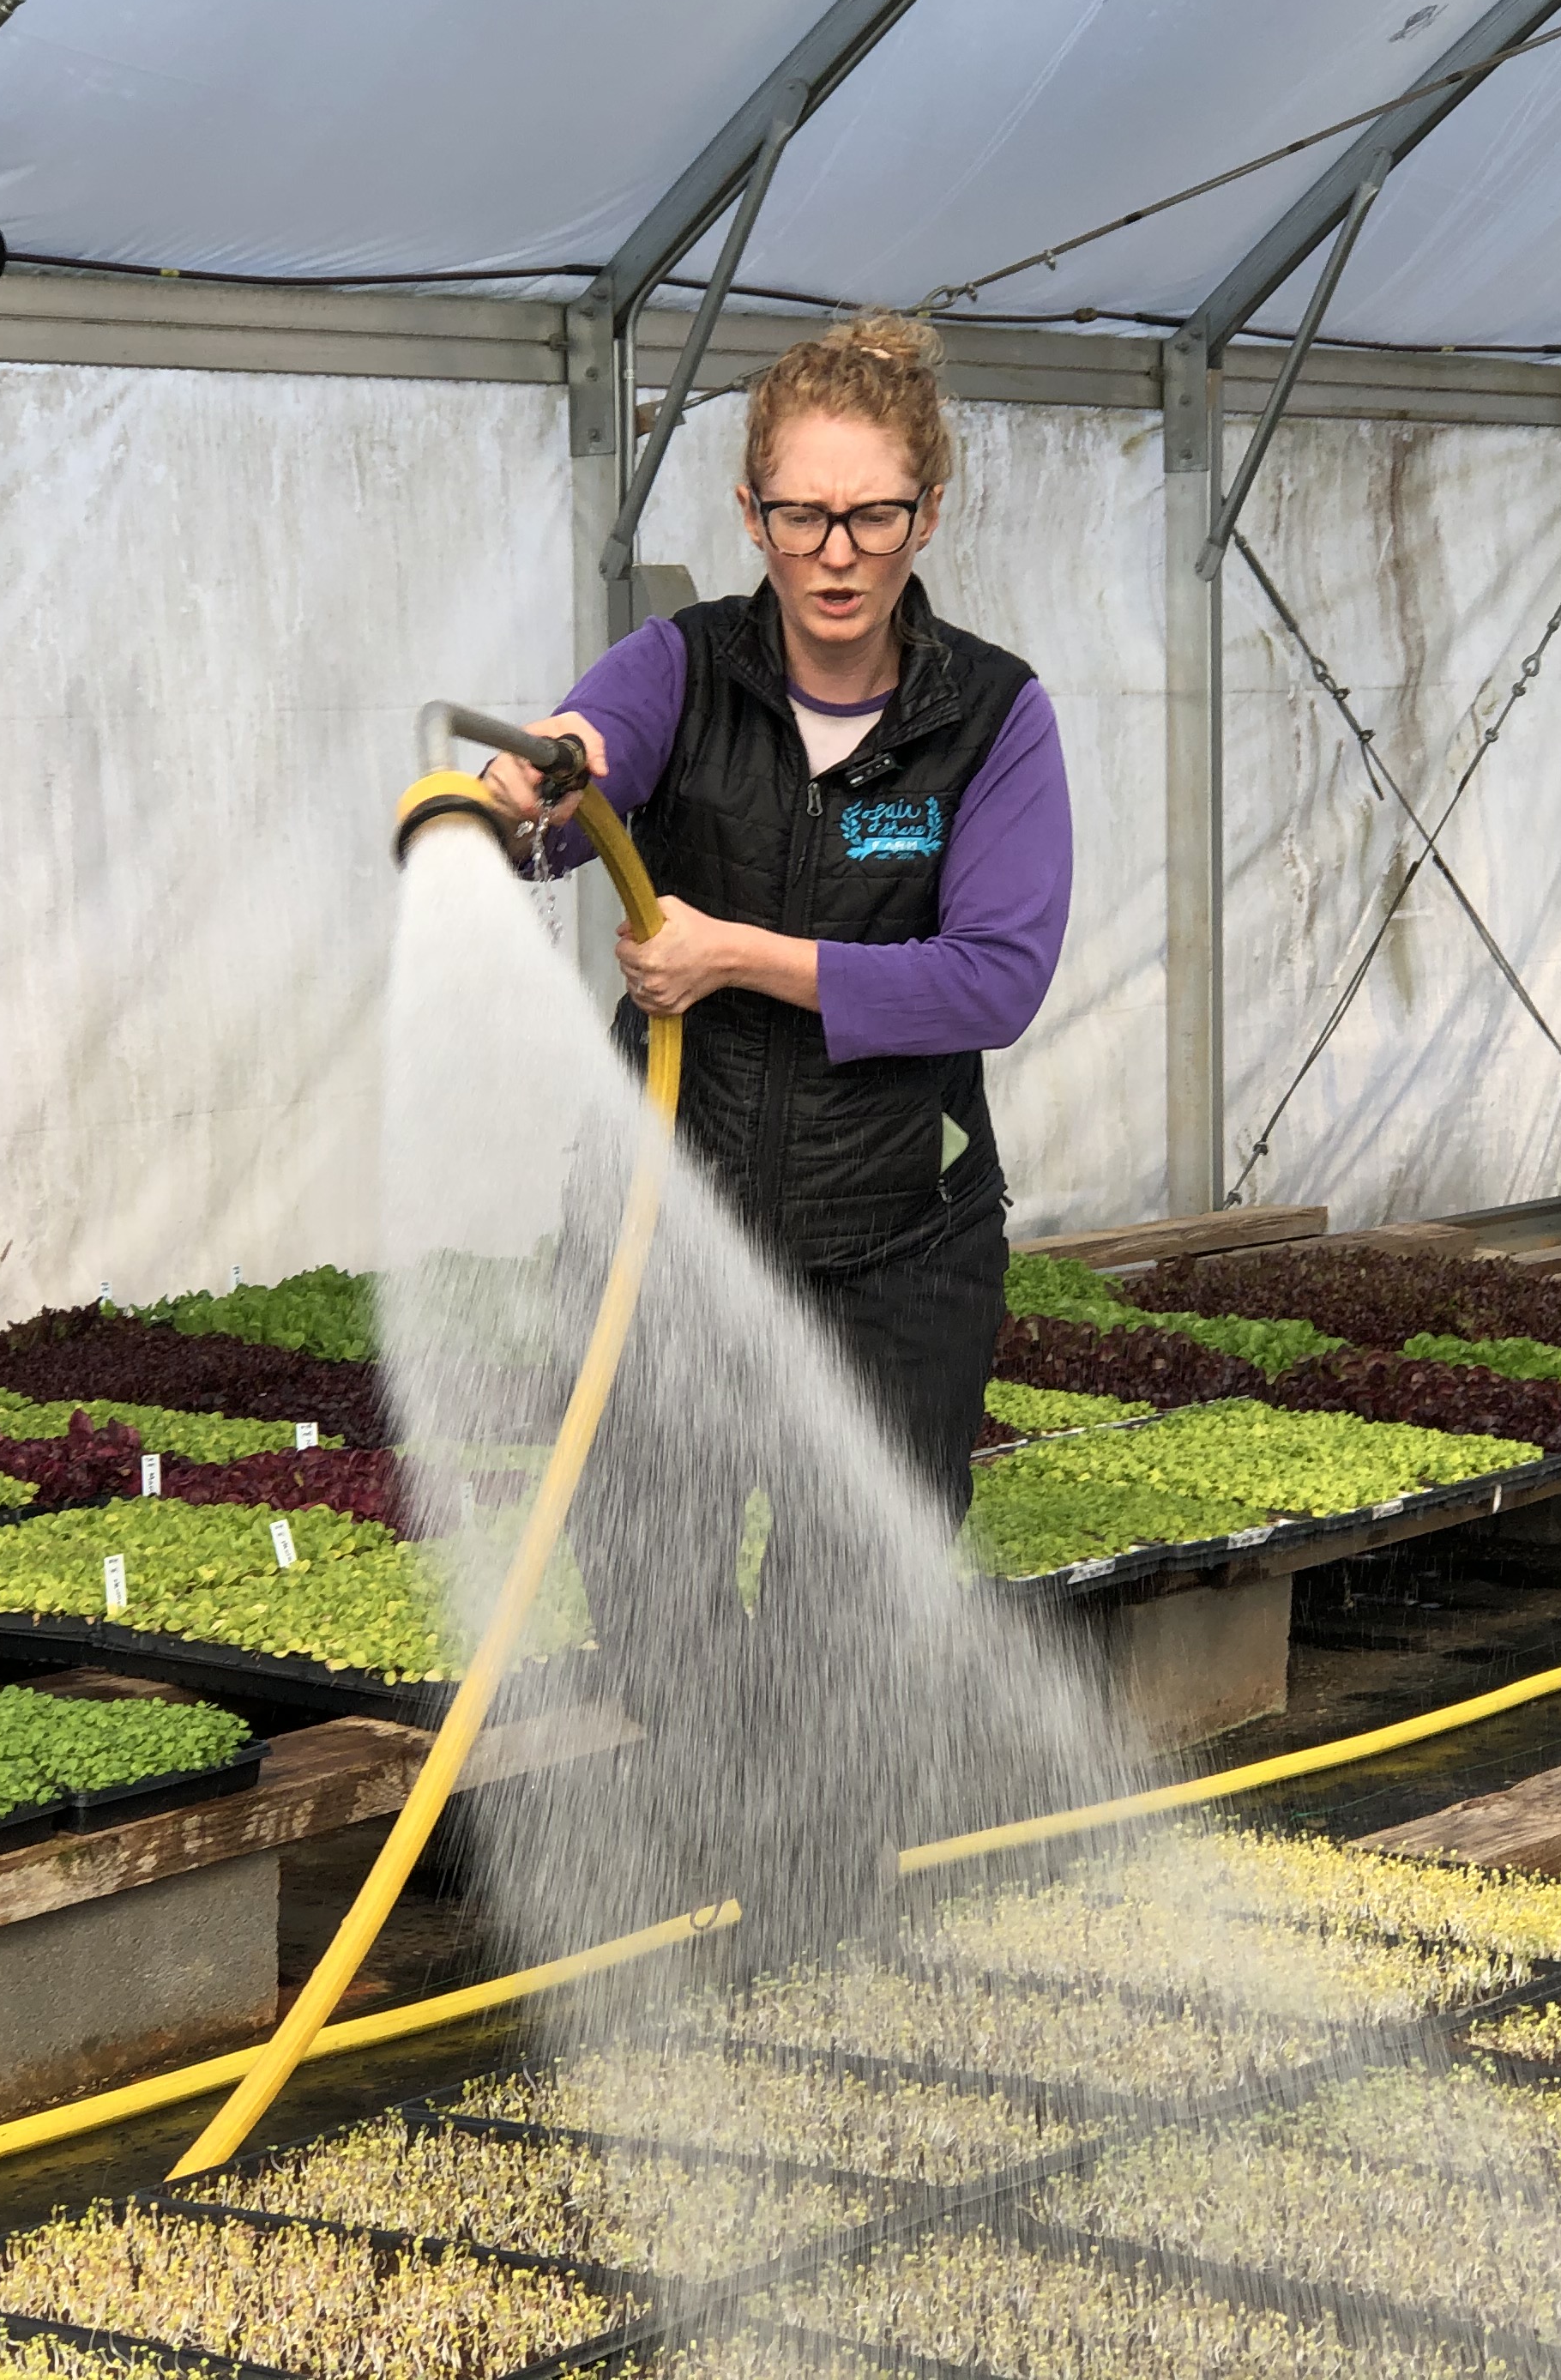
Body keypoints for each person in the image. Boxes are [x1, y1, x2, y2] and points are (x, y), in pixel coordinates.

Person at [479, 311, 1070, 1952]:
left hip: (897, 1241)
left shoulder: (990, 722)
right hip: (669, 1219)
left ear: (926, 516)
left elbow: (996, 975)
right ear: (749, 517)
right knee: (653, 1581)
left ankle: (813, 1937)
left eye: (872, 515)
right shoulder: (684, 671)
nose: (836, 553)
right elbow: (583, 761)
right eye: (801, 516)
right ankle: (760, 1855)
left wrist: (740, 955)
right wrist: (549, 782)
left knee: (849, 1602)